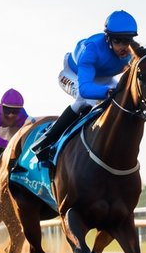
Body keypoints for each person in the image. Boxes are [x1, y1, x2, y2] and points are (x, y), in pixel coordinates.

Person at [31, 10, 138, 170]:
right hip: (74, 74)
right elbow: (86, 88)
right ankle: (46, 141)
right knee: (85, 100)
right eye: (118, 41)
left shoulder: (131, 53)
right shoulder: (92, 48)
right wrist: (106, 93)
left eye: (127, 41)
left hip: (104, 78)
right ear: (108, 38)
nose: (123, 47)